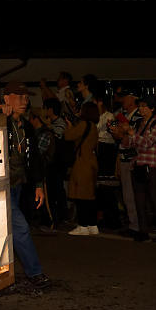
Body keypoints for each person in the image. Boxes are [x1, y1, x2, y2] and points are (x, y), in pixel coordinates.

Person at [0, 82, 51, 289]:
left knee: (8, 229)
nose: (24, 101)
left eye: (26, 98)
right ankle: (34, 272)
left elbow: (35, 158)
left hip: (18, 184)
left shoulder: (26, 126)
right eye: (19, 97)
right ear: (6, 98)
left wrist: (38, 184)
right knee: (19, 227)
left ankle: (2, 274)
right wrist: (0, 116)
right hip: (1, 186)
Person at [119, 95, 156, 242]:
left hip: (152, 165)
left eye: (144, 106)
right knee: (139, 200)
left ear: (152, 108)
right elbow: (131, 144)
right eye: (140, 106)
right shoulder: (139, 123)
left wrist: (131, 134)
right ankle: (143, 231)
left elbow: (148, 142)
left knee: (155, 199)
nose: (141, 109)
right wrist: (122, 133)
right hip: (138, 164)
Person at [111, 89, 142, 237]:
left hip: (133, 157)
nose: (123, 100)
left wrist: (122, 131)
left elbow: (131, 137)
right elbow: (119, 136)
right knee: (126, 194)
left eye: (125, 97)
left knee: (133, 193)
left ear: (132, 99)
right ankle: (133, 223)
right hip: (123, 156)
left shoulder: (138, 116)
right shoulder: (124, 115)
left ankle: (136, 225)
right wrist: (117, 131)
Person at [65, 102, 100, 235]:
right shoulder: (94, 127)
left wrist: (69, 126)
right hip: (91, 162)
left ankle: (83, 225)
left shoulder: (84, 125)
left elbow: (68, 136)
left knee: (80, 196)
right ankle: (92, 225)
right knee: (90, 196)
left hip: (82, 163)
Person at [43, 98, 68, 225]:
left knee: (57, 189)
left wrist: (48, 127)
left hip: (57, 162)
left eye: (46, 108)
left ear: (51, 110)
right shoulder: (52, 122)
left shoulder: (60, 123)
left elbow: (59, 134)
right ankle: (57, 216)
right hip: (52, 162)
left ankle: (61, 216)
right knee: (54, 190)